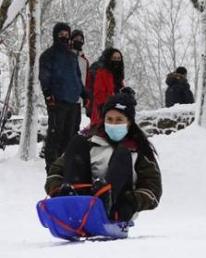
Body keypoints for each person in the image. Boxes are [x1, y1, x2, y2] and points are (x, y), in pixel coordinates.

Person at [45, 92, 161, 223]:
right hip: (83, 200)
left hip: (117, 207)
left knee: (123, 154)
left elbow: (153, 189)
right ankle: (72, 200)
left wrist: (131, 202)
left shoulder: (138, 150)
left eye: (119, 120)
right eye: (109, 120)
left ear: (129, 122)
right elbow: (56, 171)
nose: (114, 124)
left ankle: (106, 203)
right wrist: (57, 190)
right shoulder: (90, 142)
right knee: (77, 141)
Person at [38, 22, 85, 173]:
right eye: (61, 34)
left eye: (66, 34)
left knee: (70, 136)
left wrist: (84, 93)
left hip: (73, 102)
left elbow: (77, 77)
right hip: (57, 102)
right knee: (55, 135)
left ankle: (66, 167)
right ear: (55, 35)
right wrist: (48, 96)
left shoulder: (72, 57)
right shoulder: (48, 55)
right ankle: (52, 168)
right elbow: (44, 77)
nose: (64, 37)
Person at [87, 48, 126, 126]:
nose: (117, 61)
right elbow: (99, 95)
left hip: (116, 112)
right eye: (114, 58)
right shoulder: (102, 73)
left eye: (119, 58)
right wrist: (112, 101)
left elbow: (119, 90)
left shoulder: (118, 75)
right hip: (102, 111)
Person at [70, 30, 89, 95]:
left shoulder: (84, 61)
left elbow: (86, 80)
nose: (79, 41)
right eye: (76, 38)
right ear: (71, 40)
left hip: (79, 98)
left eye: (81, 39)